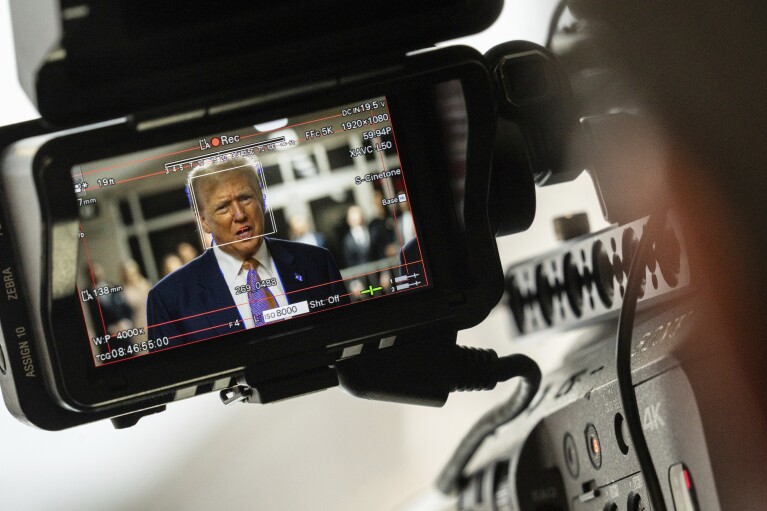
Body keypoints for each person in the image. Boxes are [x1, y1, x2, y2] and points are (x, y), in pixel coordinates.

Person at [146, 157, 348, 346]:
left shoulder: (317, 262)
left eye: (245, 198)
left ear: (263, 200)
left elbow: (348, 343)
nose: (239, 214)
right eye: (223, 207)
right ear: (204, 222)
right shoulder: (169, 299)